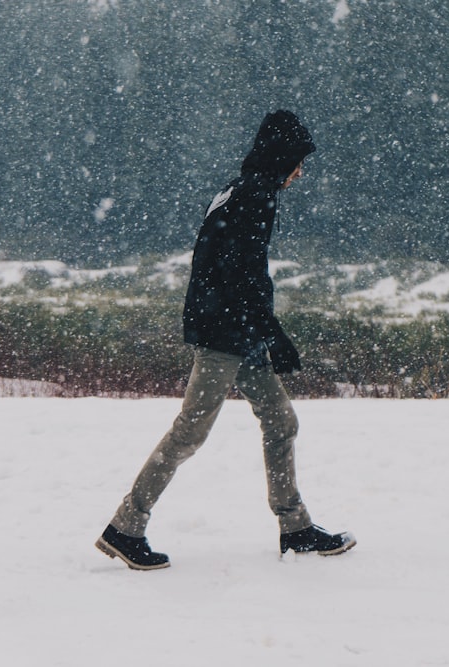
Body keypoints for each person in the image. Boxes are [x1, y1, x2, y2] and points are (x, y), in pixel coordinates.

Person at [96, 110, 355, 570]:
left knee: (281, 420)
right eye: (298, 161)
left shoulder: (238, 190)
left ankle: (294, 528)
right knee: (190, 431)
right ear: (281, 158)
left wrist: (261, 331)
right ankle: (125, 526)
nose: (300, 171)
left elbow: (226, 268)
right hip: (227, 332)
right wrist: (268, 331)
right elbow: (242, 273)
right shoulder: (254, 196)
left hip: (238, 328)